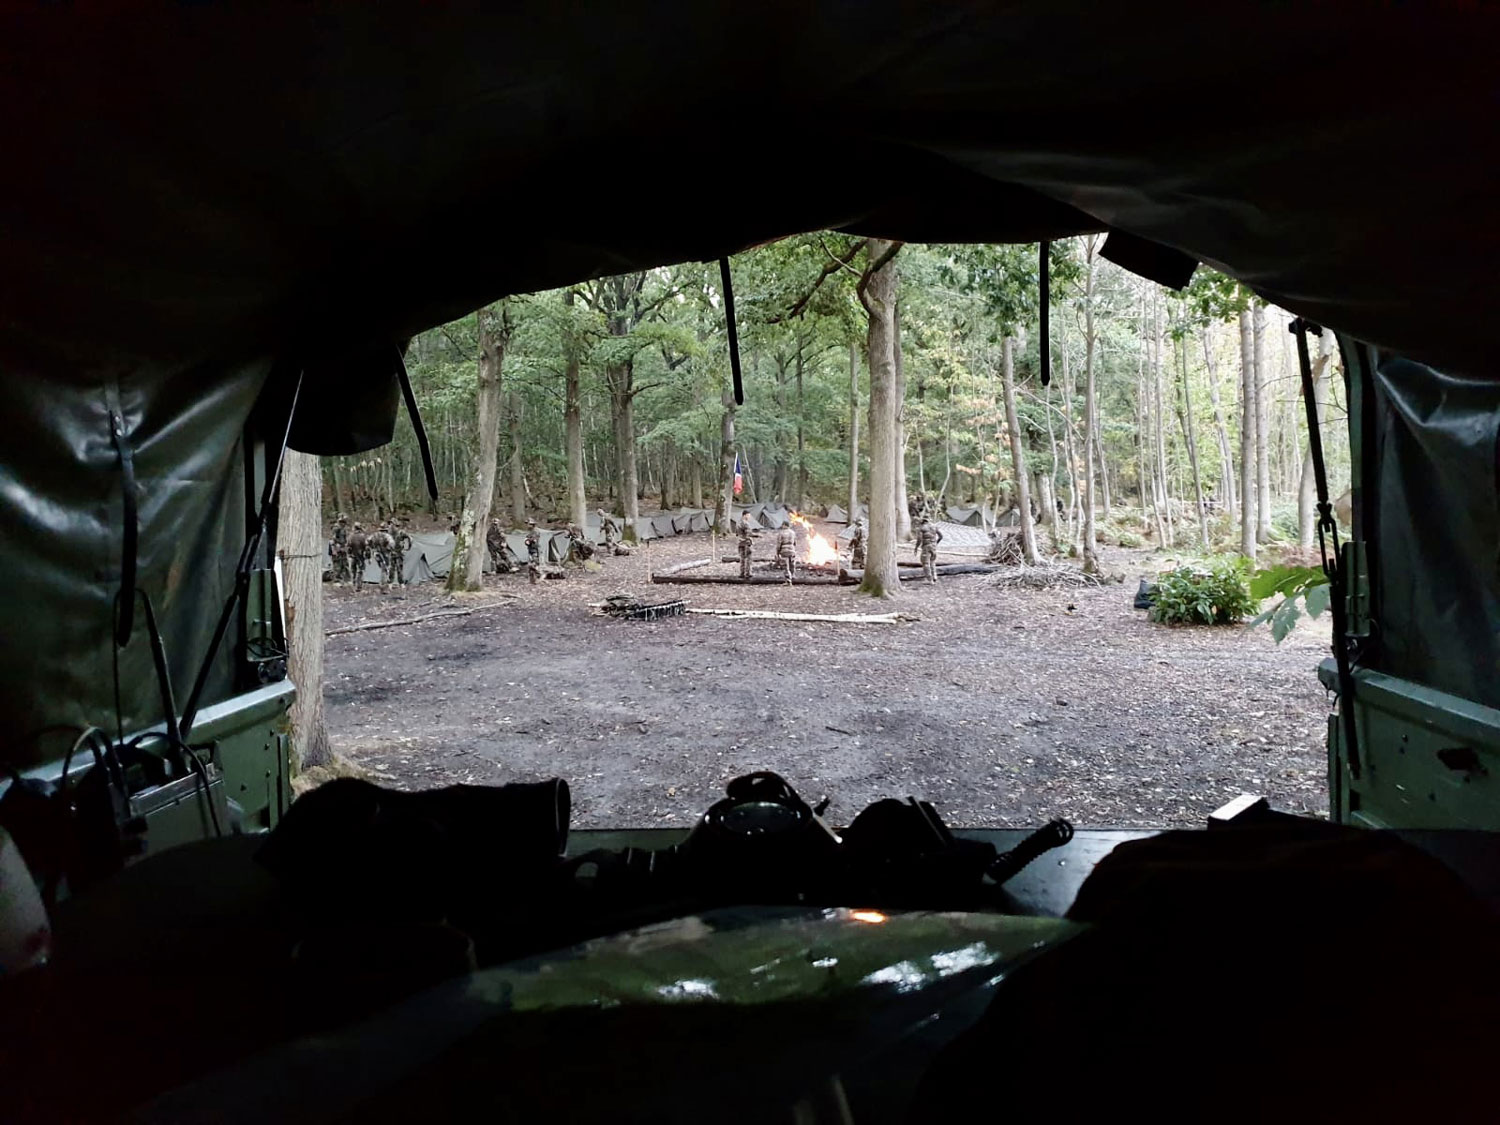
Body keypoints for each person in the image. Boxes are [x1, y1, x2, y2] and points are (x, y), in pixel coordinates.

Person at [916, 517, 944, 584]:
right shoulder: (934, 526)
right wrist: (936, 543)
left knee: (925, 563)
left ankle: (929, 579)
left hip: (926, 546)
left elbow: (919, 539)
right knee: (932, 561)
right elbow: (941, 536)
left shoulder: (922, 528)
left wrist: (916, 547)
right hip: (933, 546)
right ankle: (934, 576)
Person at [347, 522, 369, 590]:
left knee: (353, 570)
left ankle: (353, 584)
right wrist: (368, 556)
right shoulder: (363, 536)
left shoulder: (350, 536)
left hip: (353, 556)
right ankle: (358, 586)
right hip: (360, 556)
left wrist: (349, 554)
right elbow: (367, 547)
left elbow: (348, 546)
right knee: (360, 570)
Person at [330, 513, 350, 583]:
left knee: (344, 563)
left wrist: (345, 546)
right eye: (344, 521)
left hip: (342, 547)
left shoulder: (343, 528)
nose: (345, 523)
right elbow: (333, 539)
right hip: (337, 548)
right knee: (337, 564)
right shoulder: (336, 528)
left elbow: (345, 538)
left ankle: (346, 578)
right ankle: (336, 579)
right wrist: (334, 549)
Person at [737, 515, 756, 580]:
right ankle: (748, 573)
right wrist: (756, 535)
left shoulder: (738, 523)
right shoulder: (746, 523)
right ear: (745, 515)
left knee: (742, 558)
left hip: (740, 542)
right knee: (748, 558)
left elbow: (737, 533)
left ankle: (742, 573)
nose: (749, 517)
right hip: (746, 543)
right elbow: (749, 533)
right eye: (748, 515)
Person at [525, 520, 541, 584]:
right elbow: (527, 538)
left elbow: (534, 539)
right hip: (530, 549)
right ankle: (532, 580)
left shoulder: (535, 531)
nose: (528, 525)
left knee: (533, 564)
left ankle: (538, 575)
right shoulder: (530, 531)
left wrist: (528, 540)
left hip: (534, 549)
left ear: (532, 525)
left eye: (529, 524)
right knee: (530, 564)